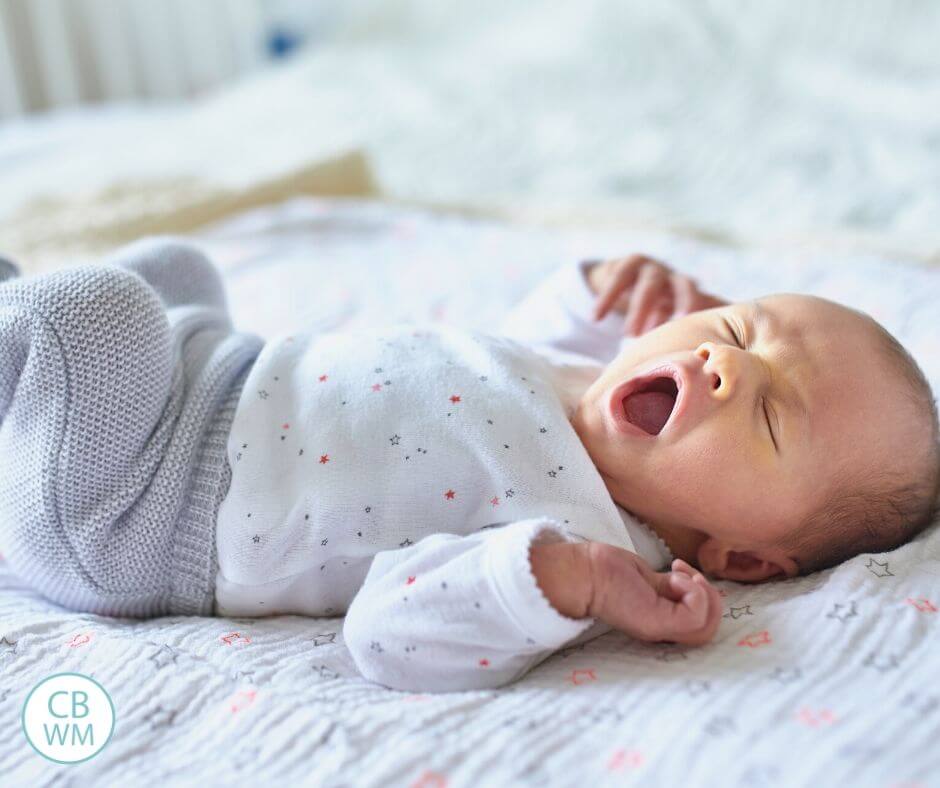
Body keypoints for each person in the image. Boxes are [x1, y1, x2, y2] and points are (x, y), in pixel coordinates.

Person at [1, 240, 937, 693]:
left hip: (133, 510)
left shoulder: (577, 537)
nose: (723, 363)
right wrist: (600, 286)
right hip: (217, 373)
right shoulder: (581, 388)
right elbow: (493, 360)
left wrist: (561, 582)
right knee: (178, 272)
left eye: (771, 410)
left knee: (93, 316)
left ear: (743, 560)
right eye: (738, 330)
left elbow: (389, 632)